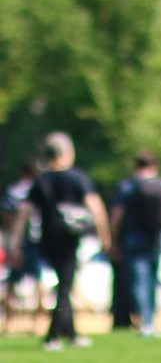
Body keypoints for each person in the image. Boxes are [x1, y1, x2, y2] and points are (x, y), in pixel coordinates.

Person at [17, 132, 111, 351]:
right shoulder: (76, 178)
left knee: (64, 283)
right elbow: (96, 207)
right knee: (65, 286)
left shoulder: (40, 180)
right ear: (66, 153)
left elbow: (24, 213)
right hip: (69, 237)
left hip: (47, 238)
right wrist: (104, 235)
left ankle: (72, 333)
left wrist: (16, 242)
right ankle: (52, 336)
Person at [109, 151, 161, 338]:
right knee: (152, 280)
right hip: (156, 238)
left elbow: (116, 217)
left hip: (133, 239)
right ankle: (151, 320)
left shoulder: (128, 187)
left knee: (138, 281)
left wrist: (113, 241)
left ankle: (144, 321)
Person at [2, 160, 46, 333]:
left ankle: (9, 324)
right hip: (36, 240)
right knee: (39, 282)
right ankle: (38, 324)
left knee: (12, 283)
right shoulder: (41, 188)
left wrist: (11, 242)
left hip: (18, 241)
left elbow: (8, 217)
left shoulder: (15, 190)